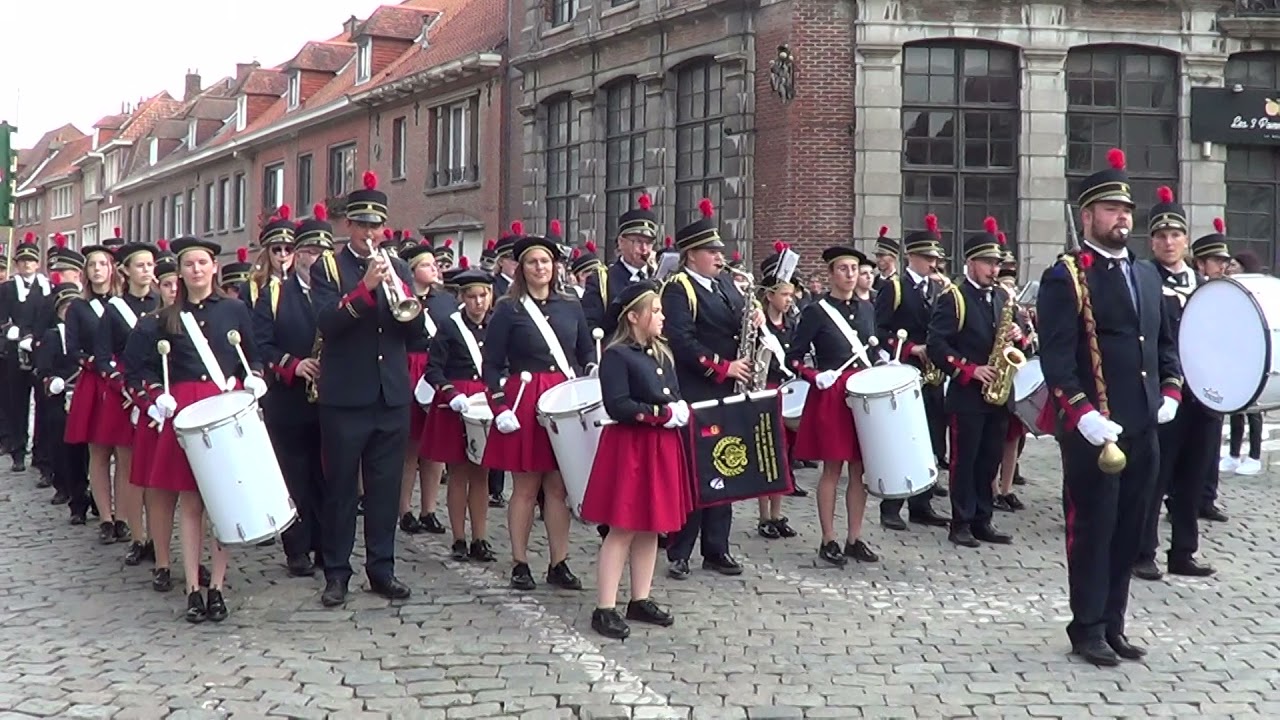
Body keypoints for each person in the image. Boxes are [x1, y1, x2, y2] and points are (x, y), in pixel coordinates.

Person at [1036, 147, 1182, 667]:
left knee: (1131, 529)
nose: (1121, 217)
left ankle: (1115, 623)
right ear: (1088, 216)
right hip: (1095, 429)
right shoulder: (1068, 275)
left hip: (1143, 424)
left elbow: (1164, 344)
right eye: (1109, 209)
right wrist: (1082, 413)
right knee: (1093, 529)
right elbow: (1055, 357)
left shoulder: (1147, 275)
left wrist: (1170, 391)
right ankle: (1087, 627)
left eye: (1126, 210)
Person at [127, 236, 267, 623]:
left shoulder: (236, 310)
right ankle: (192, 587)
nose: (196, 270)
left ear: (214, 267)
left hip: (225, 410)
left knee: (223, 503)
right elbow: (136, 371)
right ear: (180, 272)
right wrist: (155, 398)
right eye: (189, 265)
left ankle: (217, 586)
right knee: (190, 504)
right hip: (186, 415)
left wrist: (255, 379)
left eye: (202, 263)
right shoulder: (163, 319)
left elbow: (252, 357)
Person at [309, 171, 417, 607]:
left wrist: (405, 300)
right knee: (339, 490)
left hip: (389, 395)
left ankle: (382, 568)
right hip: (344, 396)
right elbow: (327, 323)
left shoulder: (401, 266)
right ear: (349, 226)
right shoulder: (328, 267)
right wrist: (366, 289)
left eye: (377, 226)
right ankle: (336, 573)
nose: (370, 234)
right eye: (363, 226)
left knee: (385, 488)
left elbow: (412, 333)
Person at [482, 224, 595, 591]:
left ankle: (558, 562)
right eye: (531, 261)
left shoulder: (570, 306)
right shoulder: (507, 310)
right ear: (520, 268)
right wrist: (500, 407)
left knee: (559, 488)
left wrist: (592, 371)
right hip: (525, 401)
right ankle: (520, 561)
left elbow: (584, 352)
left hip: (562, 399)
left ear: (555, 266)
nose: (539, 267)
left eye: (545, 260)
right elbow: (492, 364)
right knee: (526, 489)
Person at [581, 280, 691, 639]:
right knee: (622, 527)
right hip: (631, 446)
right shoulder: (616, 355)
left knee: (651, 524)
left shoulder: (661, 352)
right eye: (655, 310)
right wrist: (662, 412)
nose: (661, 316)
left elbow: (671, 392)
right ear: (634, 316)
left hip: (660, 446)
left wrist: (678, 408)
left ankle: (640, 598)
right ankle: (605, 606)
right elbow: (619, 405)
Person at [660, 199, 755, 580]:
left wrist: (756, 315)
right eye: (711, 251)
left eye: (719, 250)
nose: (720, 256)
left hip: (728, 389)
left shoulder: (725, 285)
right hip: (697, 388)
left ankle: (717, 548)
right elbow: (681, 342)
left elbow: (739, 324)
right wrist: (724, 366)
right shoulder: (678, 289)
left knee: (725, 465)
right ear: (691, 255)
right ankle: (679, 551)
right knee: (696, 471)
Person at [1133, 189, 1218, 581]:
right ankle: (1143, 550)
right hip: (1165, 394)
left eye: (1175, 235)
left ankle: (1183, 550)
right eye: (1161, 236)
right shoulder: (1143, 278)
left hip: (1202, 395)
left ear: (1186, 240)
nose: (1169, 242)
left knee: (1192, 476)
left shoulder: (1205, 284)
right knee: (1156, 475)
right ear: (1152, 241)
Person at [926, 218, 1023, 548]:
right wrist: (970, 370)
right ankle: (961, 521)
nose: (994, 270)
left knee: (989, 459)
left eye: (997, 264)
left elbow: (1017, 341)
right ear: (971, 262)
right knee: (964, 461)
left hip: (998, 393)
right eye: (988, 263)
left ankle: (984, 518)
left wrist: (1018, 337)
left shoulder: (1002, 297)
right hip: (968, 394)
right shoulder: (954, 298)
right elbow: (938, 346)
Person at [787, 244, 880, 567]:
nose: (850, 275)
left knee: (860, 469)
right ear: (830, 274)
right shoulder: (816, 311)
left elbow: (874, 346)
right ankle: (828, 538)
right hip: (831, 394)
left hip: (862, 393)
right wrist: (814, 376)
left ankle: (855, 537)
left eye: (854, 269)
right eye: (843, 269)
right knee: (832, 468)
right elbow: (793, 357)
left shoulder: (869, 308)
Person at [253, 204, 332, 578]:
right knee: (294, 475)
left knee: (328, 475)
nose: (315, 258)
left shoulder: (337, 294)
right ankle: (297, 548)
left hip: (333, 399)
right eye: (309, 251)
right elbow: (261, 345)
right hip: (289, 400)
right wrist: (293, 365)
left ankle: (325, 544)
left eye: (322, 252)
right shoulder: (273, 294)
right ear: (297, 254)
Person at [873, 215, 951, 531]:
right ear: (912, 257)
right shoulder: (895, 288)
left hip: (932, 375)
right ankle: (891, 506)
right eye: (928, 258)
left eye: (936, 259)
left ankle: (922, 504)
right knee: (904, 440)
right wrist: (910, 349)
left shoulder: (938, 290)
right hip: (905, 372)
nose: (933, 264)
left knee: (931, 438)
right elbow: (878, 331)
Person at [423, 264, 498, 562]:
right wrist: (451, 394)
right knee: (458, 473)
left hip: (485, 402)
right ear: (463, 298)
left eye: (483, 296)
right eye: (472, 296)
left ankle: (480, 537)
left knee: (481, 472)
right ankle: (459, 538)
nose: (478, 302)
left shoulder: (496, 326)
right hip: (456, 404)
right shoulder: (450, 326)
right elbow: (433, 369)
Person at [124, 245, 188, 592]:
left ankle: (194, 560)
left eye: (176, 283)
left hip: (191, 413)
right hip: (158, 417)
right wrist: (149, 403)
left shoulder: (197, 321)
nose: (172, 290)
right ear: (158, 288)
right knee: (160, 493)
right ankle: (162, 561)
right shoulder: (148, 326)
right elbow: (132, 373)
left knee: (195, 495)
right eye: (165, 285)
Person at [93, 240, 159, 557]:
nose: (147, 270)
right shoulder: (114, 310)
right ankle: (138, 535)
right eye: (141, 265)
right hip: (125, 397)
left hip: (158, 396)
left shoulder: (163, 305)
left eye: (150, 265)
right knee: (130, 468)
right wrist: (124, 386)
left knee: (157, 472)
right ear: (126, 271)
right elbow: (103, 357)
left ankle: (159, 537)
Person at [397, 239, 458, 535]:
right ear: (412, 270)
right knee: (410, 446)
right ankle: (404, 509)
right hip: (408, 368)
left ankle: (429, 509)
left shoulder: (445, 300)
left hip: (436, 370)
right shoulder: (401, 297)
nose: (434, 269)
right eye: (426, 265)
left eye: (434, 264)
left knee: (434, 448)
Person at [755, 243, 802, 537]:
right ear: (769, 295)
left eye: (790, 294)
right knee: (766, 455)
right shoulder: (758, 325)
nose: (789, 299)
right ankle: (763, 517)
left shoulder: (791, 323)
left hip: (787, 393)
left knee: (784, 455)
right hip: (767, 392)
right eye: (784, 293)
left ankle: (777, 514)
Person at [34, 274, 87, 525]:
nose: (71, 313)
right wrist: (51, 380)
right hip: (61, 396)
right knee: (61, 443)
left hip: (86, 394)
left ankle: (95, 497)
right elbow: (42, 367)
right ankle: (67, 489)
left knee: (92, 452)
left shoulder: (89, 335)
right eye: (67, 308)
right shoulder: (53, 336)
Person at [0, 233, 51, 473]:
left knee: (43, 404)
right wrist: (9, 330)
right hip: (14, 352)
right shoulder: (7, 289)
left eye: (31, 261)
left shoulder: (48, 288)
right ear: (17, 264)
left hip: (40, 351)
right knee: (16, 402)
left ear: (37, 263)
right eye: (22, 261)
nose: (27, 265)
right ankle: (18, 450)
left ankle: (41, 455)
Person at [242, 207, 295, 310]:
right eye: (277, 249)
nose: (283, 254)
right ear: (268, 253)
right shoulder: (252, 287)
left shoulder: (303, 283)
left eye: (288, 249)